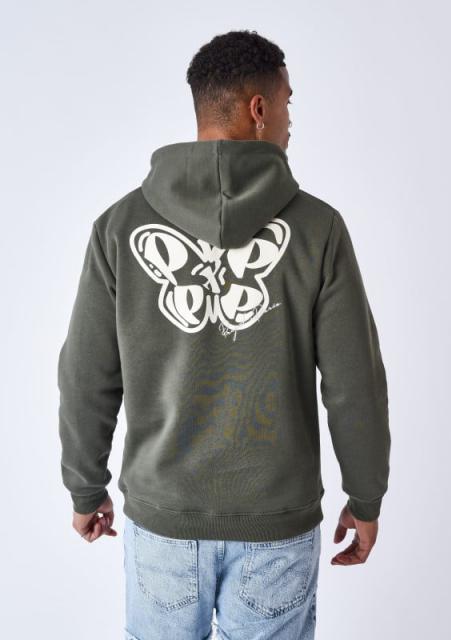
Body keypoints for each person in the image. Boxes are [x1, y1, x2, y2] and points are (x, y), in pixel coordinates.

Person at [57, 29, 391, 640]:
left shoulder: (119, 227)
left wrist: (86, 488)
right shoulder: (318, 230)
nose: (291, 120)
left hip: (163, 521)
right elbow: (354, 385)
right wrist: (365, 498)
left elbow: (86, 376)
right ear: (259, 109)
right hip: (276, 525)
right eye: (287, 102)